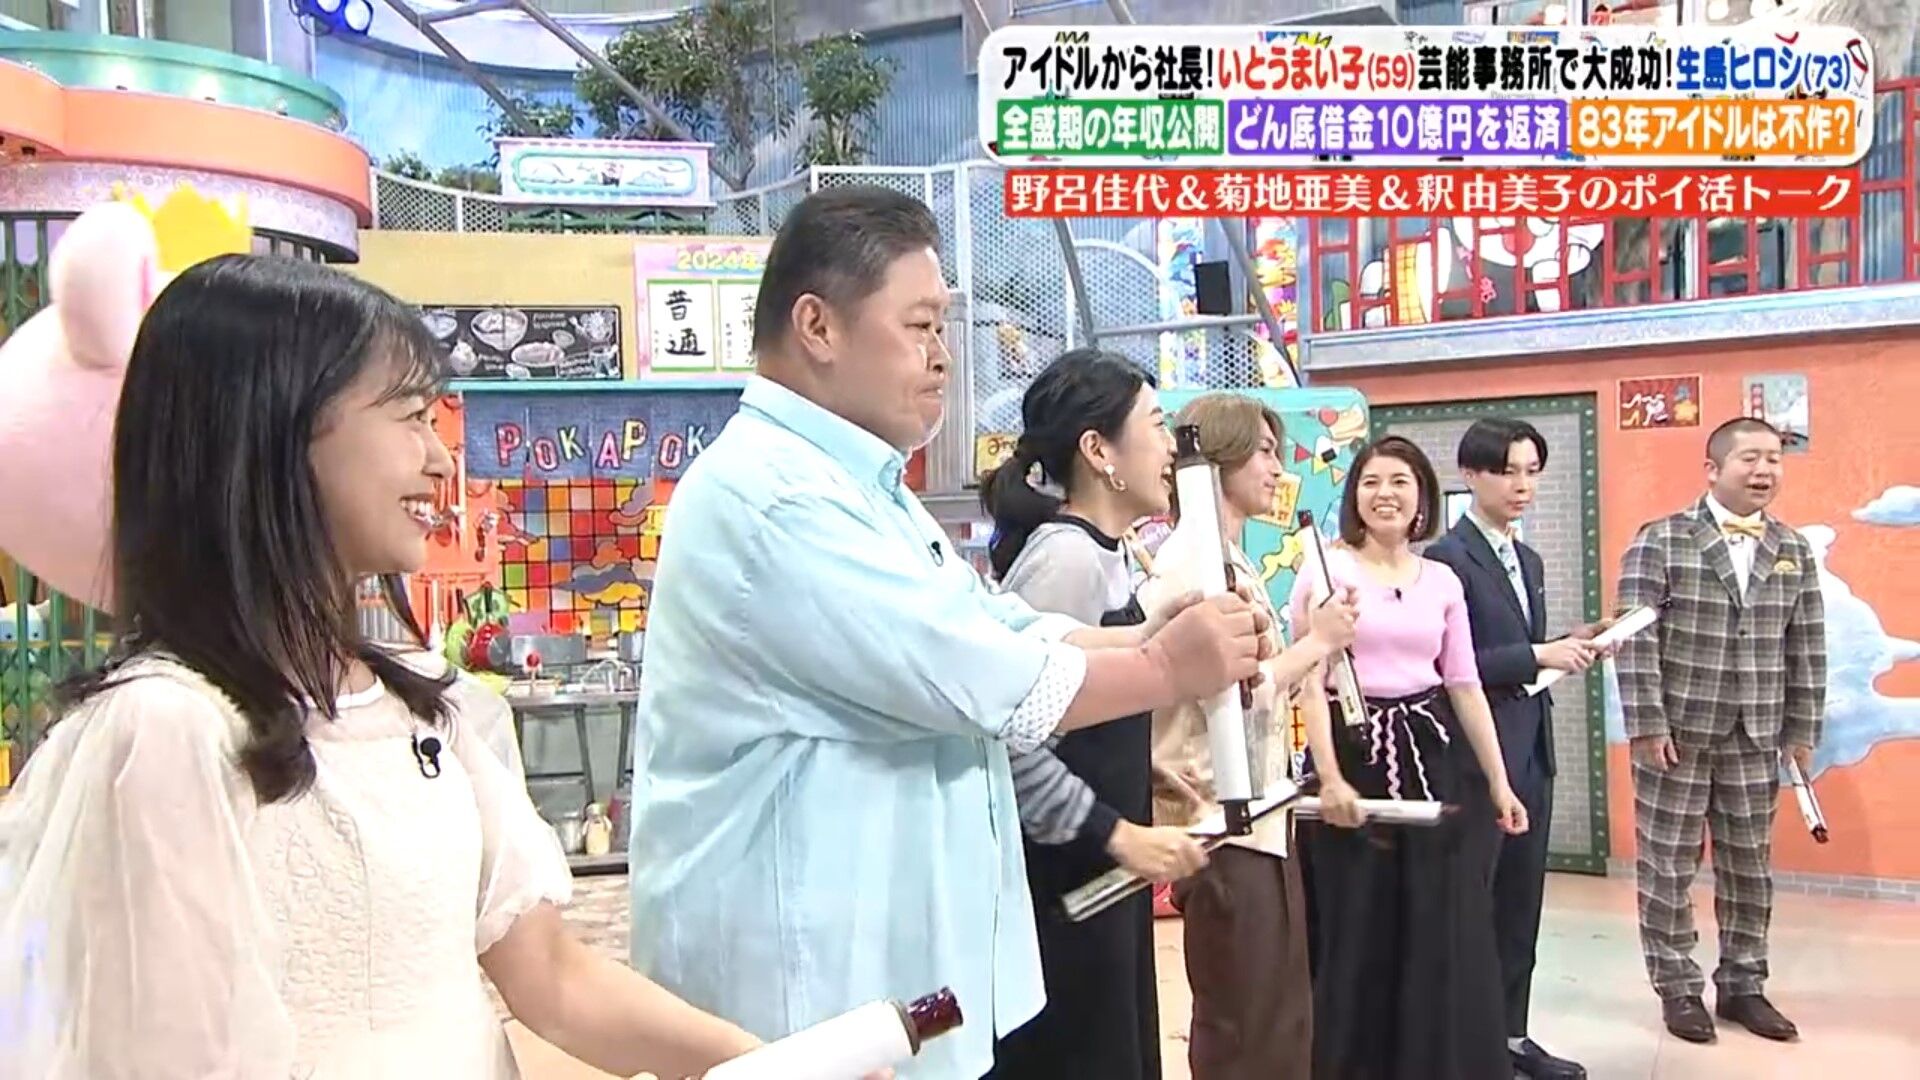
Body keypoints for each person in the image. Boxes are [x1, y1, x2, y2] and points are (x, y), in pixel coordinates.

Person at [0, 255, 768, 1079]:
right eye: (408, 416)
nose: (440, 459)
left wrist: (765, 1061)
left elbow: (553, 979)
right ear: (273, 430)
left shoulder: (424, 709)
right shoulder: (166, 727)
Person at [625, 186, 1270, 1079]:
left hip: (897, 981)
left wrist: (1155, 634)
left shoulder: (863, 488)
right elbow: (978, 675)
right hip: (807, 991)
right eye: (921, 327)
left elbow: (997, 625)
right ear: (817, 325)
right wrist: (1166, 666)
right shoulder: (775, 498)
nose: (942, 356)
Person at [976, 348, 1207, 1080]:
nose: (1170, 447)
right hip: (1067, 891)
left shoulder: (1114, 553)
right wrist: (1113, 831)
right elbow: (1011, 739)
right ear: (1099, 451)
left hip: (1106, 880)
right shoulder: (1065, 560)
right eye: (1157, 424)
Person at [1288, 435, 1528, 1080]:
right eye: (1371, 482)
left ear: (1422, 497)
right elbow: (1309, 680)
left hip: (1436, 758)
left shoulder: (1443, 580)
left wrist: (1500, 782)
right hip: (1353, 756)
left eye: (1400, 481)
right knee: (1358, 922)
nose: (1385, 494)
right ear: (1354, 497)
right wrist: (1329, 778)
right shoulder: (1326, 572)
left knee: (1442, 922)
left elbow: (1464, 684)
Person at [1144, 391, 1358, 1080]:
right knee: (1246, 1021)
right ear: (1221, 454)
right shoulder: (1194, 563)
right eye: (1264, 451)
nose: (1276, 468)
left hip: (1258, 813)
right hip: (1220, 820)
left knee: (1277, 1014)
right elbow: (1232, 691)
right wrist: (1317, 642)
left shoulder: (1228, 558)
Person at [1616, 417, 1826, 1045]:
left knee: (1749, 869)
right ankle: (1677, 987)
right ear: (1713, 470)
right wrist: (1646, 723)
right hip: (1675, 736)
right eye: (1750, 458)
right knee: (1668, 866)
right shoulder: (1660, 540)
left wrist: (1802, 728)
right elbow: (1633, 639)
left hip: (1757, 736)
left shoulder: (1793, 549)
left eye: (1774, 459)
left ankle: (1742, 984)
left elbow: (1807, 645)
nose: (1764, 470)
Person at [1424, 418, 1603, 1080]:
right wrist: (1537, 653)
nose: (1522, 485)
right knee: (1472, 904)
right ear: (1471, 475)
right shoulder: (1446, 559)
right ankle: (1466, 1042)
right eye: (1507, 471)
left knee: (1520, 906)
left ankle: (1513, 1037)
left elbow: (1519, 652)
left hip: (1532, 749)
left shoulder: (1527, 559)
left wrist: (1573, 643)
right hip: (1477, 757)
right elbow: (1454, 663)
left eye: (1531, 471)